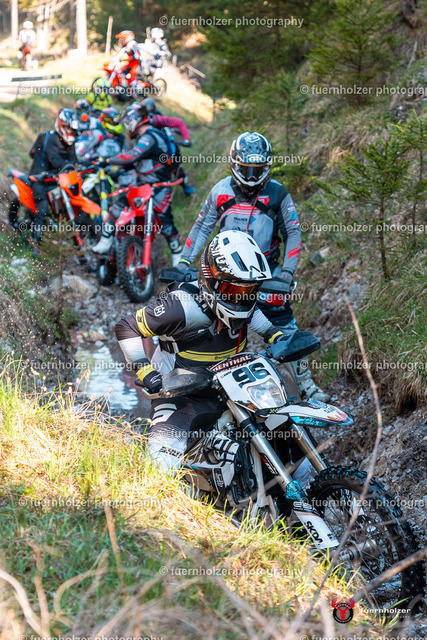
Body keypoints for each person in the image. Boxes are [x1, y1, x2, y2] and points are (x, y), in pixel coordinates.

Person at [115, 230, 293, 472]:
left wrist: (274, 334)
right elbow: (127, 327)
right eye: (233, 291)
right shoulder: (180, 307)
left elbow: (254, 315)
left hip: (231, 386)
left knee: (285, 434)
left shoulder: (246, 304)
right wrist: (146, 371)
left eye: (249, 290)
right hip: (180, 392)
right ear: (212, 281)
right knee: (160, 464)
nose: (241, 299)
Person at [177, 131, 329, 402]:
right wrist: (184, 262)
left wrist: (286, 274)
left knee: (285, 326)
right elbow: (202, 226)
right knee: (213, 325)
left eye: (256, 170)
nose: (250, 176)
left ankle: (306, 385)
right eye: (245, 169)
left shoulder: (278, 193)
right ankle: (205, 388)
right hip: (224, 275)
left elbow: (293, 232)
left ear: (267, 166)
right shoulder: (220, 190)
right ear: (233, 164)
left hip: (267, 274)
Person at [92, 102, 182, 263]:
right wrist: (114, 167)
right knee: (117, 206)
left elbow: (133, 155)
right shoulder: (142, 138)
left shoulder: (150, 136)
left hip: (159, 186)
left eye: (127, 121)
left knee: (166, 223)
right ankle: (106, 240)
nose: (126, 126)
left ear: (134, 120)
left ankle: (178, 255)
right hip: (142, 186)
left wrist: (107, 160)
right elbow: (135, 162)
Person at [27, 108, 78, 243]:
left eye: (73, 130)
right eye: (68, 128)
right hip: (40, 179)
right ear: (60, 125)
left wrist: (83, 165)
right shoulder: (49, 138)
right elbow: (56, 161)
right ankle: (35, 244)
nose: (70, 132)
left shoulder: (70, 143)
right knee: (43, 211)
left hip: (57, 180)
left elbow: (73, 160)